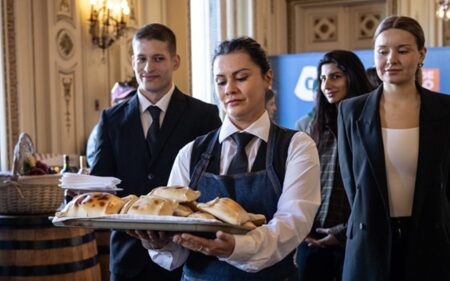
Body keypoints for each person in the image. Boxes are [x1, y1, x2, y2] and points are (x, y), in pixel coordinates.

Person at [130, 37, 321, 281]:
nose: (229, 89)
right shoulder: (190, 153)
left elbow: (292, 223)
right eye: (221, 81)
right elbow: (176, 252)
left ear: (268, 78)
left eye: (241, 78)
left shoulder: (297, 147)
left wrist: (236, 247)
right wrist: (159, 243)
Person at [90, 23, 222, 281]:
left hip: (186, 254)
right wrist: (82, 193)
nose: (148, 68)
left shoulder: (203, 115)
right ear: (133, 61)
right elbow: (102, 183)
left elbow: (214, 183)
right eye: (141, 58)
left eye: (158, 58)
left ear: (175, 61)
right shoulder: (111, 119)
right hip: (128, 257)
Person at [338, 16, 450, 281]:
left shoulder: (445, 110)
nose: (391, 59)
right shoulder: (351, 111)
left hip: (431, 238)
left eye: (403, 50)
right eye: (383, 51)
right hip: (369, 240)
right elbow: (351, 181)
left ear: (421, 54)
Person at [295, 50, 373, 281]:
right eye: (322, 78)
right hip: (311, 241)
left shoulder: (369, 125)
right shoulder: (314, 127)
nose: (326, 84)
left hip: (354, 240)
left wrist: (340, 233)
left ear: (353, 78)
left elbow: (372, 189)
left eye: (336, 77)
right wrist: (301, 229)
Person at [86, 80, 137, 167]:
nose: (128, 104)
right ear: (113, 103)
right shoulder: (103, 127)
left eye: (131, 99)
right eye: (123, 101)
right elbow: (95, 161)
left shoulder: (135, 124)